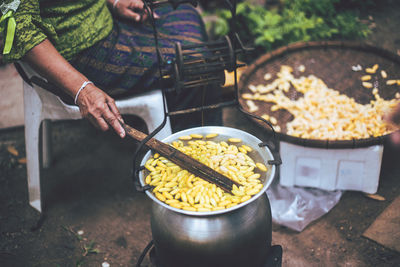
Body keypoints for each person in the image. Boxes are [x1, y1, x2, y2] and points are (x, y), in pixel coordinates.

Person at [1, 0, 222, 137]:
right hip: (77, 55)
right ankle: (190, 160)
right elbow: (16, 28)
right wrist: (82, 89)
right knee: (193, 65)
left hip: (105, 25)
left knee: (184, 14)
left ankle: (182, 126)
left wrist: (112, 2)